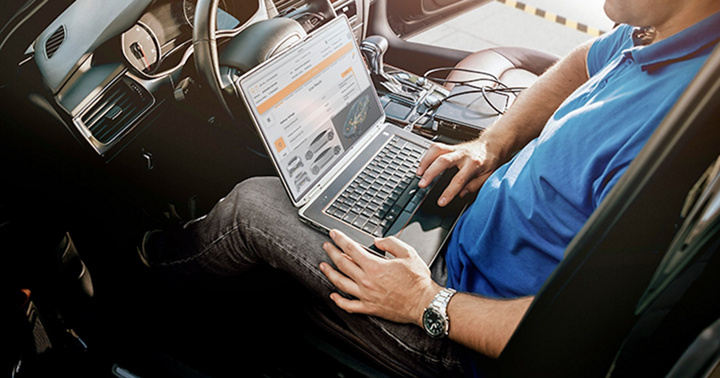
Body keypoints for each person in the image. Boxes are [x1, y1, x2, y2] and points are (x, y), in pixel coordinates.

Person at [141, 1, 720, 375]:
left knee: (251, 206)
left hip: (461, 329)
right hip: (460, 232)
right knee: (353, 166)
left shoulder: (674, 142)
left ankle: (135, 284)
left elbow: (571, 340)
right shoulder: (658, 35)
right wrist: (490, 145)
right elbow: (579, 62)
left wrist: (423, 303)